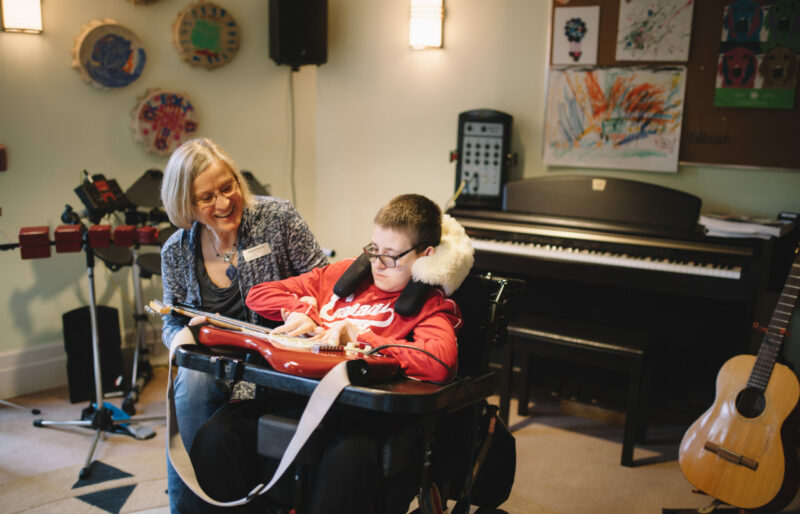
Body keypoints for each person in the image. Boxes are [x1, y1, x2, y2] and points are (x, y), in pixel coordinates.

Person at [184, 193, 475, 514]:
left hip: (359, 415)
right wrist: (298, 312)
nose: (378, 264)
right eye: (374, 249)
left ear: (425, 255)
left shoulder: (429, 304)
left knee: (344, 463)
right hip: (299, 397)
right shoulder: (341, 275)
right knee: (217, 438)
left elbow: (440, 362)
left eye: (391, 256)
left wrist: (363, 338)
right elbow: (260, 294)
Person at [159, 138, 328, 513]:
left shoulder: (277, 219)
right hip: (214, 364)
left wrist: (304, 313)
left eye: (228, 187)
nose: (223, 203)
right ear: (185, 203)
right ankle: (190, 504)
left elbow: (324, 282)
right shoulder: (175, 250)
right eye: (206, 197)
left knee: (194, 391)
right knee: (191, 378)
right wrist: (187, 335)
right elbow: (171, 323)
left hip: (274, 364)